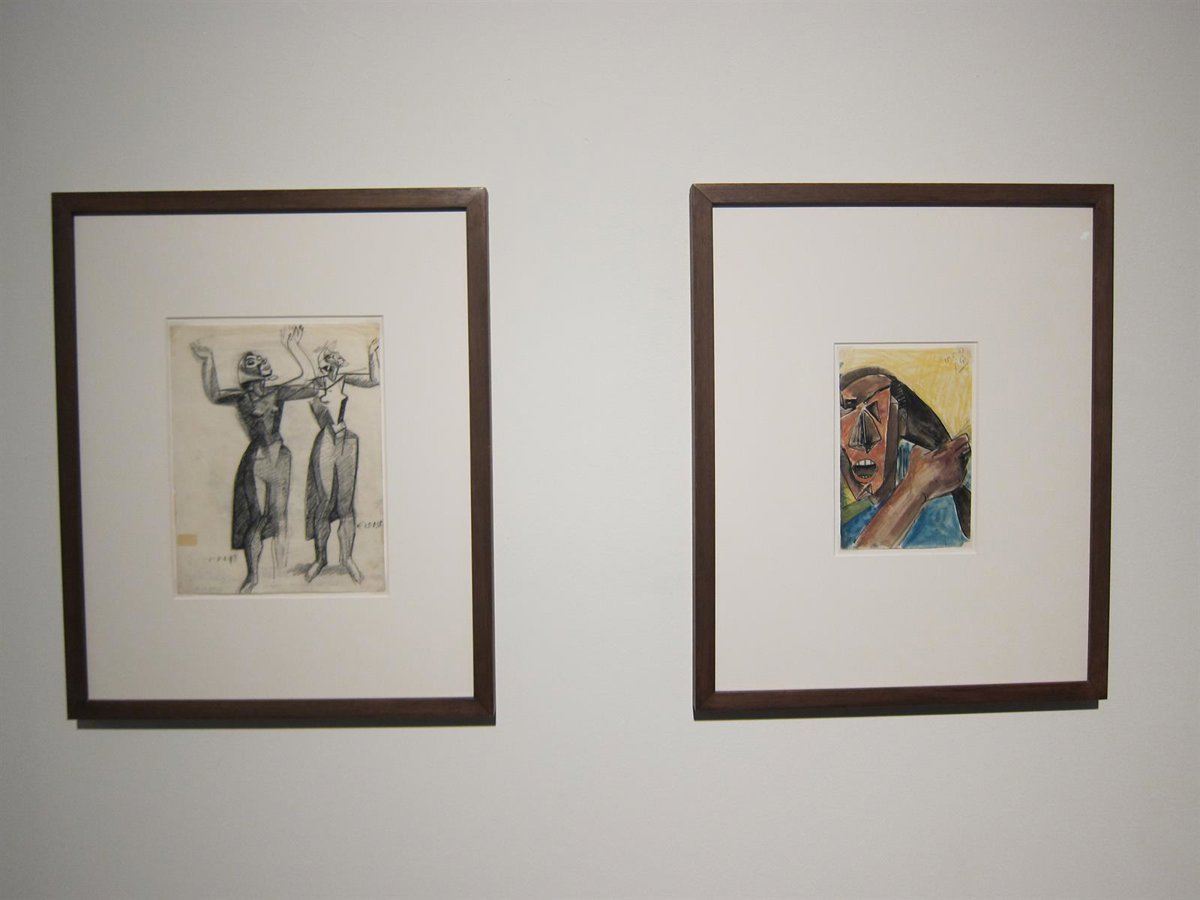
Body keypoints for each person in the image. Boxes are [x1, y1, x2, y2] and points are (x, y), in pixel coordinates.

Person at [190, 327, 316, 592]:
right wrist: (208, 359)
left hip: (280, 456)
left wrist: (293, 346)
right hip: (257, 459)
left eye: (260, 358)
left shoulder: (277, 392)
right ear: (246, 372)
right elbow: (214, 393)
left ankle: (280, 575)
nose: (261, 361)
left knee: (279, 517)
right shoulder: (242, 398)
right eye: (253, 361)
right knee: (258, 519)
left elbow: (310, 381)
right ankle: (253, 576)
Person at [839, 367, 971, 549]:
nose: (862, 439)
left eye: (878, 413)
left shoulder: (942, 519)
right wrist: (915, 489)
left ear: (901, 421)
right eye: (847, 417)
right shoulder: (840, 522)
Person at [297, 336, 380, 583]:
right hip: (325, 440)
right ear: (325, 362)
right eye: (333, 356)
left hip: (346, 439)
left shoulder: (344, 379)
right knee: (323, 501)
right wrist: (295, 348)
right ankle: (320, 558)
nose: (339, 358)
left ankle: (347, 558)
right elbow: (306, 380)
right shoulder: (315, 384)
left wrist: (372, 353)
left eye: (338, 356)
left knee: (345, 503)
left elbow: (374, 380)